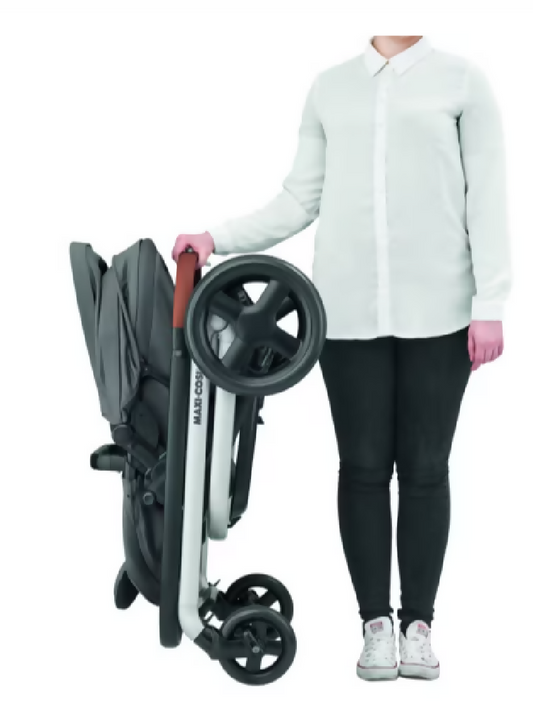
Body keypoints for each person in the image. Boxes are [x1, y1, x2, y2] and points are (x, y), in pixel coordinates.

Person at [172, 35, 512, 681]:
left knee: (424, 469)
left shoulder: (462, 82)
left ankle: (418, 626)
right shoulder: (331, 87)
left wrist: (490, 301)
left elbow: (486, 196)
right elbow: (299, 199)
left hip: (440, 312)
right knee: (361, 468)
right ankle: (374, 625)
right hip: (346, 314)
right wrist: (217, 236)